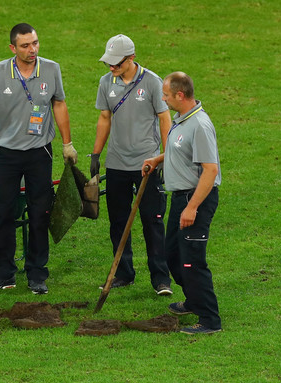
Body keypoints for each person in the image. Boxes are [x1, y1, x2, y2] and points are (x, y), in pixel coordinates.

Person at [0, 23, 78, 295]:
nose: (32, 49)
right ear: (13, 48)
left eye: (35, 43)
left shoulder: (51, 69)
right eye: (25, 46)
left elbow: (58, 104)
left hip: (40, 153)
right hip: (7, 155)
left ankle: (37, 274)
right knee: (3, 215)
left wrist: (67, 144)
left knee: (40, 215)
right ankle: (3, 273)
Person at [91, 34, 173, 295]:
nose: (112, 68)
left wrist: (165, 156)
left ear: (132, 59)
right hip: (116, 165)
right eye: (109, 63)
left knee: (152, 221)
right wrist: (96, 154)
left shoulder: (152, 82)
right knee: (118, 222)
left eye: (117, 63)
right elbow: (105, 118)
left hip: (146, 166)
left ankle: (161, 279)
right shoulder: (106, 82)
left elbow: (164, 119)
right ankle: (123, 273)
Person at [143, 72, 222, 334]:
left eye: (166, 95)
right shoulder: (182, 120)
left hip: (194, 199)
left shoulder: (200, 125)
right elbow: (182, 151)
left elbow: (210, 170)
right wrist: (159, 159)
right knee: (173, 255)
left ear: (180, 95)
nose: (163, 99)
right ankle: (193, 301)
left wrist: (192, 207)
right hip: (181, 198)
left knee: (192, 261)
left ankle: (210, 320)